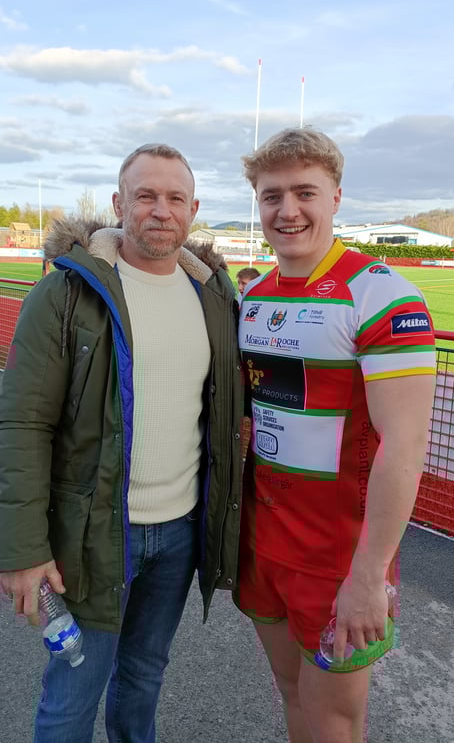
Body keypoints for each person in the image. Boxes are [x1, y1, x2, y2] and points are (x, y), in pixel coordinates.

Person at [0, 143, 243, 743]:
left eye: (175, 198)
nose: (161, 211)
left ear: (193, 209)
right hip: (95, 532)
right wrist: (23, 551)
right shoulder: (65, 295)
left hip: (179, 531)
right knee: (73, 692)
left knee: (143, 678)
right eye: (146, 196)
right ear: (118, 203)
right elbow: (21, 424)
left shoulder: (212, 295)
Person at [235, 127, 436, 743]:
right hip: (261, 544)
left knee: (335, 723)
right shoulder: (252, 295)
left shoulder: (380, 294)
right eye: (271, 196)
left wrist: (369, 575)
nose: (287, 210)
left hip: (337, 561)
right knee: (293, 696)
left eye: (305, 192)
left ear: (337, 197)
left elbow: (405, 449)